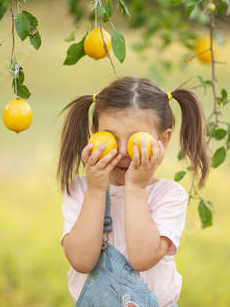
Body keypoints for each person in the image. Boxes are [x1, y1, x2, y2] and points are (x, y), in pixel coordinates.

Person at [57, 76, 210, 307]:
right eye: (111, 137)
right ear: (94, 133)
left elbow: (142, 258)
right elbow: (81, 261)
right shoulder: (80, 190)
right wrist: (97, 190)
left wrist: (136, 186)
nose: (121, 150)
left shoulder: (169, 196)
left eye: (134, 140)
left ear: (163, 139)